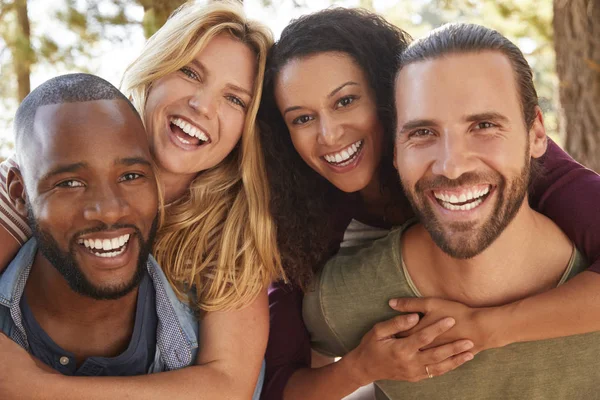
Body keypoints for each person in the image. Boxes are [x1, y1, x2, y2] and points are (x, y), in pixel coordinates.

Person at [260, 8, 600, 400]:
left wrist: (489, 328)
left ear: (390, 98)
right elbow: (275, 384)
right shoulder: (298, 222)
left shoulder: (514, 155)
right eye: (302, 118)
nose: (330, 134)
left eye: (346, 101)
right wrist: (361, 368)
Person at [0, 1, 282, 398]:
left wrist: (38, 388)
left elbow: (228, 386)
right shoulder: (48, 162)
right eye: (190, 72)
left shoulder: (233, 234)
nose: (202, 106)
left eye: (234, 99)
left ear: (246, 128)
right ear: (155, 70)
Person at [1, 73, 197, 381]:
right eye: (70, 183)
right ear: (19, 194)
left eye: (131, 176)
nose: (109, 210)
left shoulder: (207, 345)